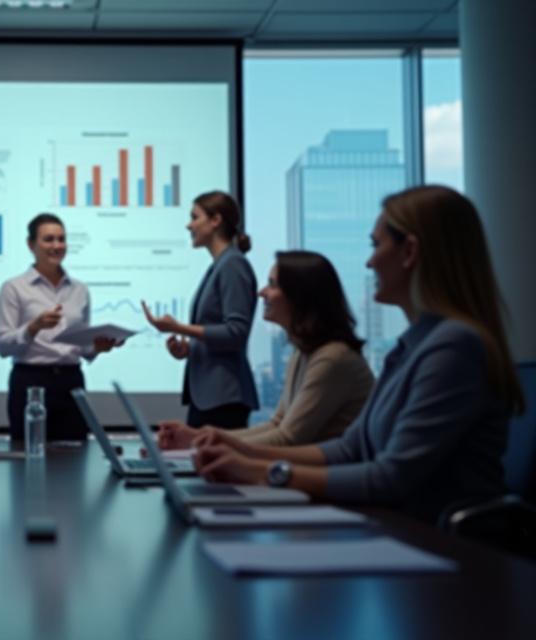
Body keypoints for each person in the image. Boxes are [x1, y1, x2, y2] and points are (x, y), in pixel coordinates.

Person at [192, 186, 525, 523]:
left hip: (438, 548)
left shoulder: (453, 348)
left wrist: (265, 472)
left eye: (376, 245)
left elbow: (389, 478)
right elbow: (349, 448)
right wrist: (242, 456)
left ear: (409, 251)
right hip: (396, 530)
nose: (369, 261)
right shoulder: (413, 346)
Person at [159, 251, 374, 450]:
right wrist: (198, 438)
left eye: (272, 285)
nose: (262, 292)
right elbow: (277, 424)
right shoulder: (304, 353)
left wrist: (204, 443)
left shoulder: (332, 359)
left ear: (299, 296)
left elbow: (287, 439)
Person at [0, 213, 120, 442]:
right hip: (30, 383)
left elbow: (81, 348)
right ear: (31, 244)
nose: (57, 246)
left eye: (61, 239)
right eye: (49, 239)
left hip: (71, 382)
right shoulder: (14, 288)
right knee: (27, 461)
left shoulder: (80, 290)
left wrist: (97, 348)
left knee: (75, 461)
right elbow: (3, 346)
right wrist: (33, 327)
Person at [142, 190, 258, 429]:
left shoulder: (232, 264)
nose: (189, 225)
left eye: (195, 217)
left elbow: (236, 333)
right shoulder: (219, 265)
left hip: (223, 398)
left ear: (216, 221)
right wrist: (189, 349)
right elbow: (218, 333)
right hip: (209, 398)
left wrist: (179, 327)